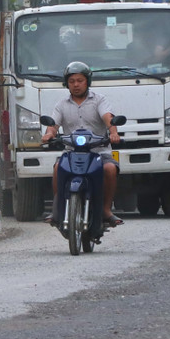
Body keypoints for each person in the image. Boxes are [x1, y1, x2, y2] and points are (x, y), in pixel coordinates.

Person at [41, 61, 122, 227]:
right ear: (67, 84)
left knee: (110, 169)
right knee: (58, 168)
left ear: (87, 82)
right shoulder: (61, 104)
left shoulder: (99, 100)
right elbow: (53, 125)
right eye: (72, 81)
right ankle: (58, 208)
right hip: (72, 152)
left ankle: (106, 210)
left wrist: (113, 133)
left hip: (99, 152)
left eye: (80, 80)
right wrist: (49, 134)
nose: (76, 85)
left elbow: (108, 117)